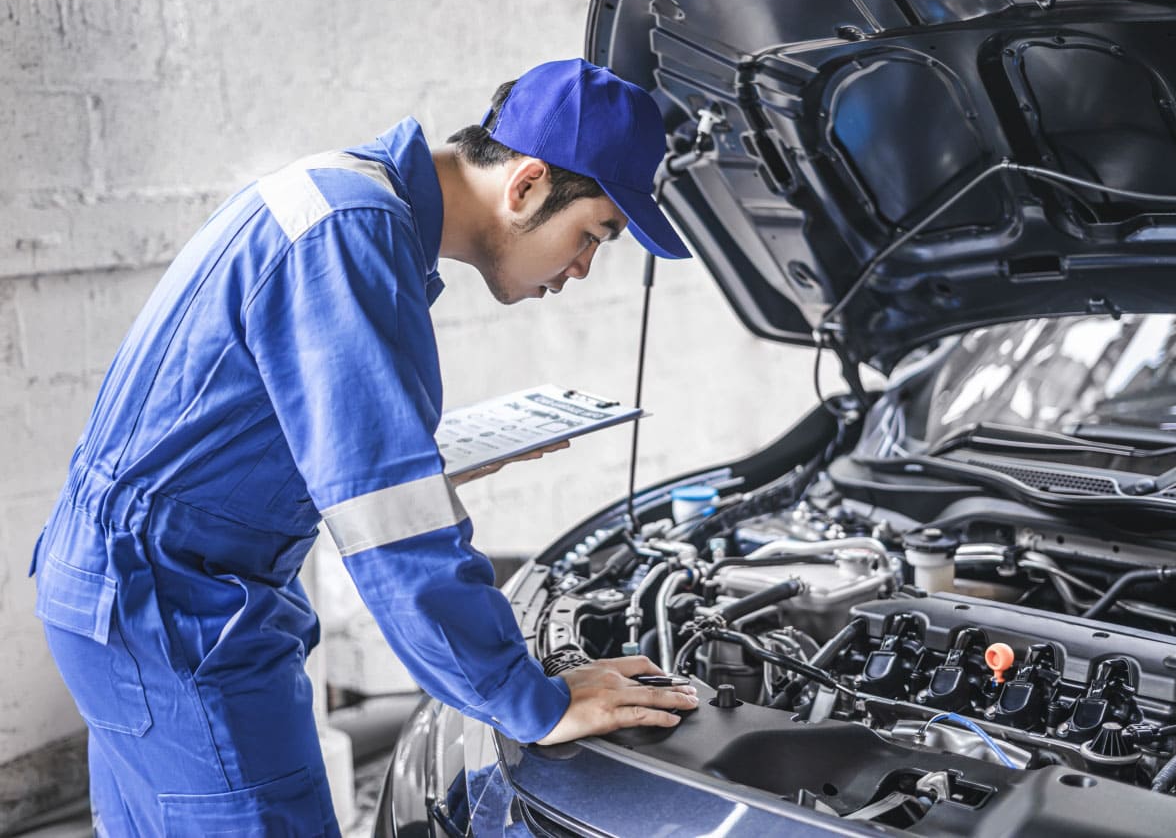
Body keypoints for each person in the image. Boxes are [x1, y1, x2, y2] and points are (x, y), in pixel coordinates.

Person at [29, 58, 699, 836]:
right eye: (594, 235)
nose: (582, 268)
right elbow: (395, 528)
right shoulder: (353, 238)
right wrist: (532, 701)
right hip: (174, 613)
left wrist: (420, 452)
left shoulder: (344, 194)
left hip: (123, 594)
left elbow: (253, 423)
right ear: (526, 186)